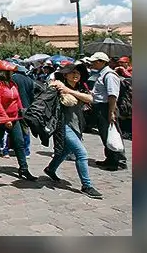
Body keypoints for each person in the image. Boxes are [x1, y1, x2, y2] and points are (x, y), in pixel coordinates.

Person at [41, 64, 103, 198]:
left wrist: (70, 91)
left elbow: (91, 99)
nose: (76, 75)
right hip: (63, 125)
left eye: (78, 73)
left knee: (65, 151)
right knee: (81, 153)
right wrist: (61, 89)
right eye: (72, 72)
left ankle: (50, 169)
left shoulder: (80, 88)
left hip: (77, 125)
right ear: (65, 75)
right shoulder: (56, 88)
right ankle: (87, 186)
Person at [0, 60, 37, 180]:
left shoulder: (13, 84)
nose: (12, 73)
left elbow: (17, 99)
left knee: (19, 142)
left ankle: (23, 168)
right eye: (9, 72)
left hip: (14, 117)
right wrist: (5, 119)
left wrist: (22, 112)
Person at [87, 52, 127, 171]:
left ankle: (117, 160)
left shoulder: (109, 75)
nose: (92, 64)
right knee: (106, 135)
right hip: (101, 107)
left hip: (106, 108)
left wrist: (111, 112)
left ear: (101, 62)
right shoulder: (102, 74)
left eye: (94, 61)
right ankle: (110, 158)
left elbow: (112, 95)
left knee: (111, 134)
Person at [11, 64, 38, 159]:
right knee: (26, 129)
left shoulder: (13, 78)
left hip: (15, 106)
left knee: (12, 128)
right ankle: (26, 151)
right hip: (26, 107)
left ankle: (9, 149)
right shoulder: (30, 80)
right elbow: (32, 95)